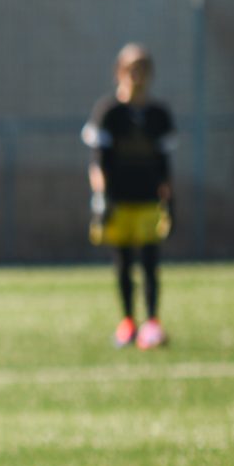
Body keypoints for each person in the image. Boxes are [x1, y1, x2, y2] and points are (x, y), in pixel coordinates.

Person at [83, 43, 176, 350]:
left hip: (148, 199)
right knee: (122, 263)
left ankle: (152, 323)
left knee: (150, 262)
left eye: (142, 70)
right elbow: (98, 161)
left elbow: (164, 164)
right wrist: (100, 197)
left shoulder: (159, 114)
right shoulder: (109, 112)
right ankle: (127, 322)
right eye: (131, 69)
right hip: (119, 200)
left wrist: (170, 200)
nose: (137, 76)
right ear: (119, 73)